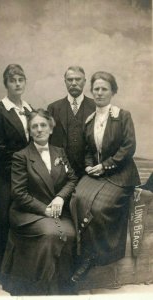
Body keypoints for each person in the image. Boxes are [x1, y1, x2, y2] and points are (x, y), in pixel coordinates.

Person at [70, 71, 141, 282]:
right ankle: (80, 251)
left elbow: (129, 147)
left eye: (104, 89)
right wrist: (90, 166)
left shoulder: (122, 116)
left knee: (100, 208)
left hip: (121, 174)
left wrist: (106, 166)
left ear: (113, 92)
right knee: (76, 199)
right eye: (96, 89)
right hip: (97, 173)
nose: (99, 93)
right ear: (91, 91)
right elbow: (88, 151)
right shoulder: (89, 119)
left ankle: (98, 256)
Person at [1, 109, 78, 295]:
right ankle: (40, 289)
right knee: (52, 234)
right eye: (34, 126)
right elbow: (19, 193)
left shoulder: (60, 152)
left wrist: (60, 197)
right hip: (28, 213)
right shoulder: (21, 156)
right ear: (29, 131)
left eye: (43, 125)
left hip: (56, 211)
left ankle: (62, 288)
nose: (39, 129)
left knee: (71, 233)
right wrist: (45, 210)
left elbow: (72, 179)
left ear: (51, 129)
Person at [0, 64, 32, 276]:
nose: (17, 84)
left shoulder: (29, 109)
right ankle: (0, 268)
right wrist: (21, 168)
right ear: (6, 84)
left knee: (23, 216)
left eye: (20, 80)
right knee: (5, 216)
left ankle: (20, 265)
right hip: (7, 174)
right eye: (13, 80)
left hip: (28, 174)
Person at [48, 66, 95, 178]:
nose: (74, 83)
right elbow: (47, 140)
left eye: (78, 79)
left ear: (84, 81)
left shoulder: (95, 107)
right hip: (60, 171)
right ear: (65, 82)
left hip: (88, 171)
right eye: (70, 80)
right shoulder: (53, 108)